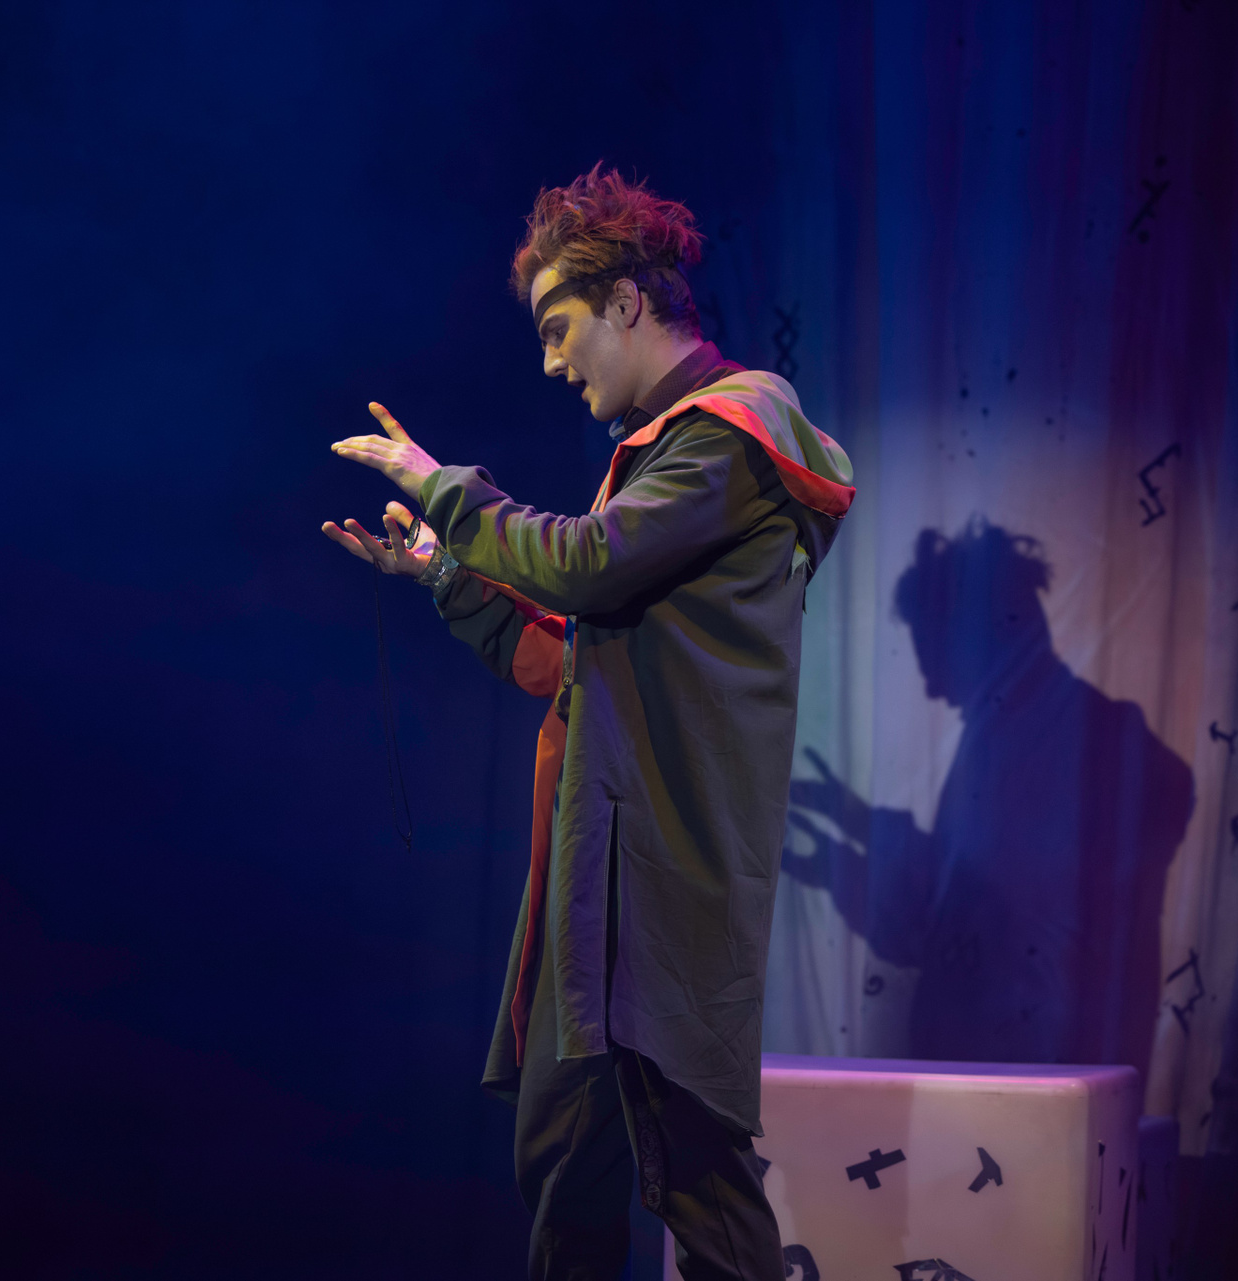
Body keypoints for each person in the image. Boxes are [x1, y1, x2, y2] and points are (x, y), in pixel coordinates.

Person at [321, 165, 854, 1281]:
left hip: (660, 869)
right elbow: (568, 658)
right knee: (568, 1164)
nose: (553, 363)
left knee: (693, 1178)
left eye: (560, 330)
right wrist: (444, 573)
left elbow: (585, 564)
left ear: (625, 301)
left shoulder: (731, 431)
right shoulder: (669, 453)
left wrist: (441, 484)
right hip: (603, 864)